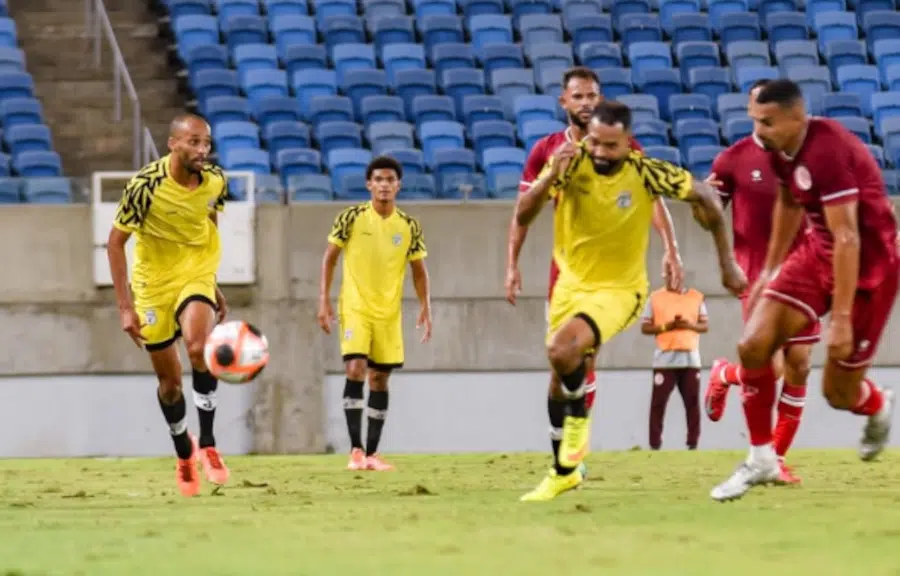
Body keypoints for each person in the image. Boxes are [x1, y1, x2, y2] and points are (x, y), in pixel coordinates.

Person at [516, 101, 747, 502]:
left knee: (562, 350)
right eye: (595, 143)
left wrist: (725, 263)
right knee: (560, 370)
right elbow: (522, 213)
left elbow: (706, 196)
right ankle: (563, 472)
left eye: (611, 146)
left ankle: (577, 435)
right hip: (570, 284)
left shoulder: (646, 172)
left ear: (627, 143)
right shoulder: (568, 164)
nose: (601, 153)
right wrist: (550, 175)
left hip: (620, 290)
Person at [710, 79, 898, 502]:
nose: (758, 130)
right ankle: (761, 458)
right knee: (753, 345)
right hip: (818, 253)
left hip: (869, 269)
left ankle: (876, 404)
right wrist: (770, 269)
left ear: (797, 117)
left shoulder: (827, 149)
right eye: (754, 120)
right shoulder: (780, 148)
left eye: (767, 122)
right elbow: (789, 201)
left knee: (838, 394)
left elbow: (848, 237)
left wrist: (842, 319)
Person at [505, 66, 684, 472]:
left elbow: (653, 196)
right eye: (579, 97)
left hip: (610, 276)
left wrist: (671, 249)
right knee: (560, 364)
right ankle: (564, 447)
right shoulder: (548, 151)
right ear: (563, 102)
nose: (586, 104)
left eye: (592, 96)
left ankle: (573, 455)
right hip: (566, 273)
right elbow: (523, 211)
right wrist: (511, 264)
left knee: (585, 357)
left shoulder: (624, 146)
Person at [107, 114, 230, 498]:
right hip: (153, 285)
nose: (202, 150)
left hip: (195, 272)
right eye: (194, 142)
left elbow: (209, 218)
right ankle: (183, 452)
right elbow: (115, 243)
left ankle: (208, 444)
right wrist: (125, 307)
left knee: (198, 348)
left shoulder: (215, 180)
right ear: (173, 143)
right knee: (170, 384)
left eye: (206, 143)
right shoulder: (144, 186)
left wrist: (212, 282)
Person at [703, 79, 818, 485]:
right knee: (772, 368)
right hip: (757, 274)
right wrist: (704, 203)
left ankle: (777, 459)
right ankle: (725, 375)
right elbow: (711, 213)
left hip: (805, 272)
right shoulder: (733, 159)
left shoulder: (809, 156)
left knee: (800, 364)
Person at [317, 156, 432, 472]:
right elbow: (329, 258)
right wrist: (324, 300)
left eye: (390, 180)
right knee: (355, 368)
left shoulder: (409, 226)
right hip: (355, 307)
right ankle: (355, 450)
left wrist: (426, 306)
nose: (384, 185)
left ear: (398, 185)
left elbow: (419, 270)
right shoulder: (351, 217)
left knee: (379, 378)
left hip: (388, 313)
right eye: (378, 179)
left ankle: (372, 453)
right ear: (369, 184)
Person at [640, 279, 707, 451]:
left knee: (692, 402)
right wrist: (666, 327)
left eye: (675, 271)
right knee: (658, 404)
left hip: (690, 359)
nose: (672, 275)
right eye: (668, 271)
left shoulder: (696, 297)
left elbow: (704, 325)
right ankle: (655, 444)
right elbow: (645, 327)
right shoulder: (655, 297)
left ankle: (693, 443)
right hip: (665, 360)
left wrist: (689, 325)